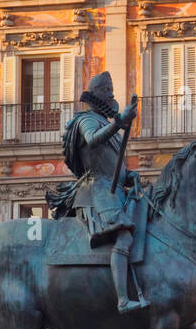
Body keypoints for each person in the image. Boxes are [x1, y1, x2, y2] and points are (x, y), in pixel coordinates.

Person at [59, 71, 148, 314]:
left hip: (115, 190)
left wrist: (130, 176)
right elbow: (93, 140)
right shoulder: (86, 120)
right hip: (97, 189)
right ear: (100, 99)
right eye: (109, 95)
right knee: (124, 237)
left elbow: (114, 165)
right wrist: (119, 122)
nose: (112, 99)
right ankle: (122, 300)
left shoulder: (109, 126)